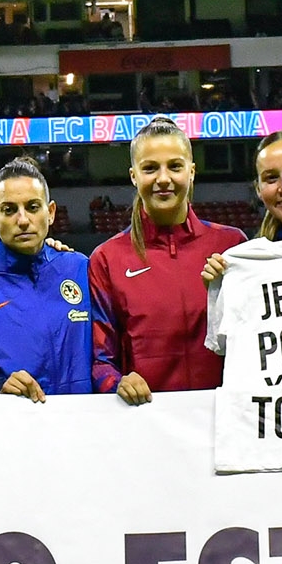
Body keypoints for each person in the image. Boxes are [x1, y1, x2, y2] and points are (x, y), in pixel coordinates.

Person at [89, 116, 242, 404]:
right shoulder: (107, 259)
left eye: (175, 166)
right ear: (134, 176)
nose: (163, 179)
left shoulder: (231, 246)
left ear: (192, 171)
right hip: (149, 425)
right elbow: (99, 360)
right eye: (150, 168)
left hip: (224, 424)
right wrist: (117, 383)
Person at [0, 158, 94, 398]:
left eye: (33, 207)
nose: (23, 220)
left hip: (83, 428)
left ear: (51, 212)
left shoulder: (81, 270)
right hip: (10, 432)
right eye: (9, 210)